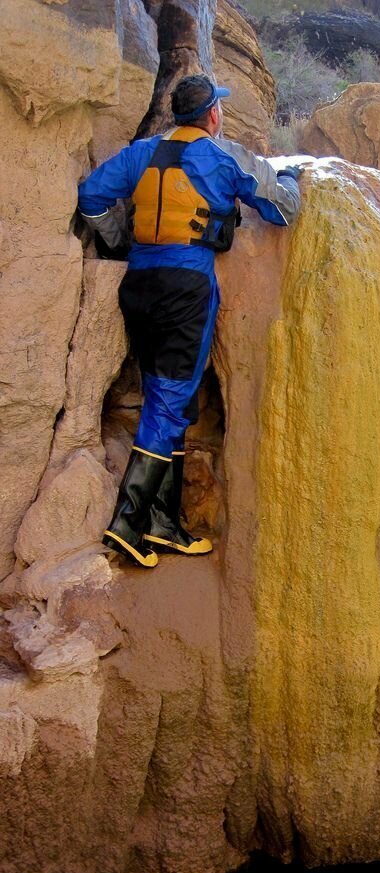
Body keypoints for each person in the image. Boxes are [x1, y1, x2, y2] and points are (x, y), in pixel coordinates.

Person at [78, 74, 303, 568]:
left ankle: (163, 524)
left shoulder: (141, 153)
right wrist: (291, 177)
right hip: (185, 290)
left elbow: (91, 195)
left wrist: (119, 241)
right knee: (170, 400)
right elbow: (283, 209)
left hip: (138, 287)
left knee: (166, 399)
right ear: (213, 115)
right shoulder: (222, 157)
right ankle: (128, 525)